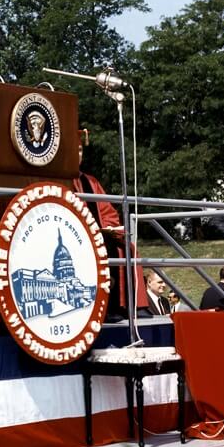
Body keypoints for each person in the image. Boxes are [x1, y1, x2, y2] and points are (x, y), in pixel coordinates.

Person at [72, 128, 147, 322]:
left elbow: (108, 212)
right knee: (102, 248)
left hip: (99, 234)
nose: (78, 154)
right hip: (77, 235)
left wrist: (110, 228)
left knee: (126, 247)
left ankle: (132, 307)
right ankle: (105, 307)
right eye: (74, 150)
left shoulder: (90, 181)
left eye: (81, 150)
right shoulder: (61, 180)